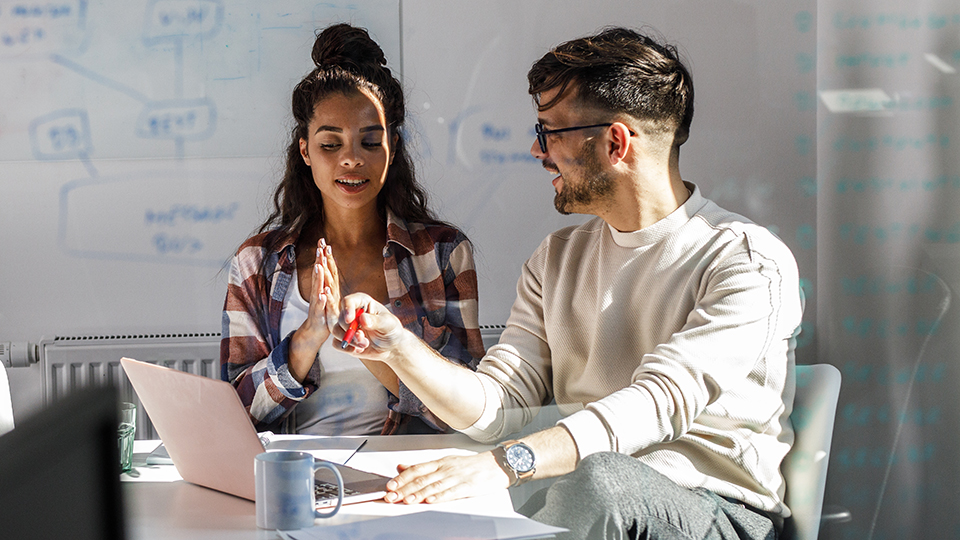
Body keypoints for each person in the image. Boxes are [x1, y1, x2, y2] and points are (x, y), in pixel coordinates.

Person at [334, 27, 802, 539]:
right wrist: (398, 348)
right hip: (581, 502)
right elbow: (499, 410)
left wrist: (508, 462)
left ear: (615, 142)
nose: (538, 152)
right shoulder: (556, 259)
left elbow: (656, 404)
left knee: (596, 482)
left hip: (713, 511)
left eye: (548, 132)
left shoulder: (746, 261)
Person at [220, 23, 485, 437]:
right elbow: (235, 415)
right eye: (330, 144)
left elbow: (469, 413)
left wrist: (371, 344)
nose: (350, 160)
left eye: (369, 142)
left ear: (392, 148)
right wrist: (308, 338)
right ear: (305, 150)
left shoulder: (442, 252)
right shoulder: (256, 262)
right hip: (296, 476)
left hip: (404, 478)